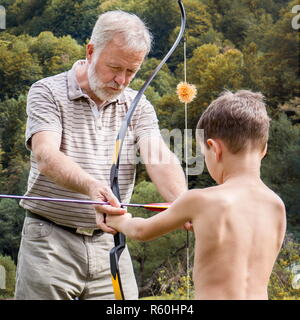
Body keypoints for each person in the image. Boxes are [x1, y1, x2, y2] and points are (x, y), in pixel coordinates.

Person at [15, 10, 187, 300]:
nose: (121, 80)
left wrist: (184, 204)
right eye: (114, 68)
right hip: (49, 241)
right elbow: (45, 155)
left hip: (110, 244)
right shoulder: (46, 92)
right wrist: (92, 187)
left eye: (131, 72)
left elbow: (157, 154)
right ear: (91, 51)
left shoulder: (138, 104)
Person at [107, 90, 287, 300]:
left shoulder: (200, 200)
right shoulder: (276, 205)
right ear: (263, 149)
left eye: (203, 154)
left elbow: (140, 231)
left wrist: (118, 219)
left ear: (214, 149)